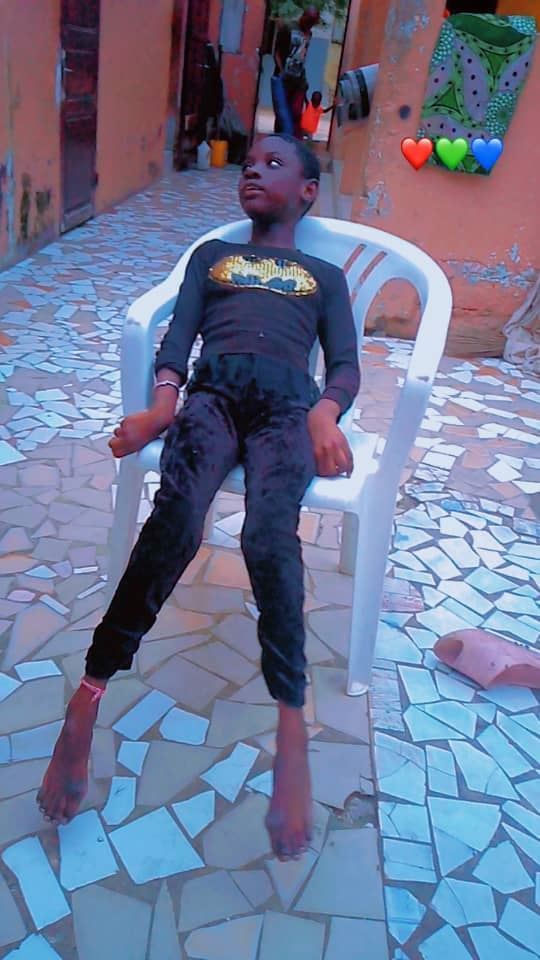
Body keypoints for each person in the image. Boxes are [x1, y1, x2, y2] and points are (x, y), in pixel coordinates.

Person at [37, 133, 360, 863]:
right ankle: (89, 693)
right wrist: (160, 409)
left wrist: (324, 414)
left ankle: (290, 728)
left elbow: (344, 364)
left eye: (274, 164)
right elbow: (176, 340)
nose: (254, 169)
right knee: (177, 519)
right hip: (211, 400)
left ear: (308, 192)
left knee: (267, 535)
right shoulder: (211, 258)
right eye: (249, 162)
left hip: (286, 411)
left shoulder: (324, 275)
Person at [273, 5, 321, 139]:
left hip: (299, 79)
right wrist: (281, 72)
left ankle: (293, 141)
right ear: (303, 16)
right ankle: (280, 140)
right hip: (284, 78)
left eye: (313, 23)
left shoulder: (309, 34)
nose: (310, 25)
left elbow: (302, 55)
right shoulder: (288, 28)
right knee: (282, 114)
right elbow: (277, 53)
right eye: (309, 21)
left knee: (296, 112)